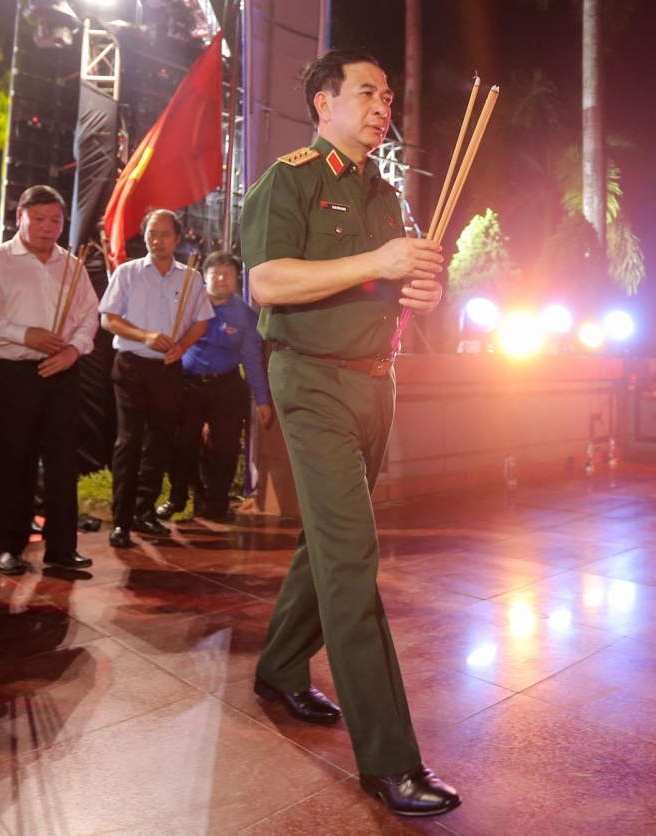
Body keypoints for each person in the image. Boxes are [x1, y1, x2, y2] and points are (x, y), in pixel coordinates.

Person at [240, 49, 461, 817]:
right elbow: (266, 280)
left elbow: (394, 284)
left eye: (388, 93)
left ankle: (277, 668)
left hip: (376, 381)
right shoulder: (290, 177)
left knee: (327, 542)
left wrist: (420, 286)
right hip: (311, 379)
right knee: (353, 557)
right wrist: (381, 259)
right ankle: (390, 760)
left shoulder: (387, 191)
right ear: (323, 103)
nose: (382, 104)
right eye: (366, 91)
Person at [0, 185, 98, 575]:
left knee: (61, 461)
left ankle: (62, 548)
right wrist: (24, 333)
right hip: (12, 371)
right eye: (38, 219)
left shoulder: (72, 264)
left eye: (55, 220)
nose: (47, 227)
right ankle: (9, 545)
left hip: (63, 371)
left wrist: (73, 350)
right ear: (20, 216)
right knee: (11, 461)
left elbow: (90, 315)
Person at [99, 209, 214, 548]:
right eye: (151, 233)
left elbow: (201, 322)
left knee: (161, 442)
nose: (156, 240)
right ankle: (120, 521)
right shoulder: (128, 273)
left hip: (168, 369)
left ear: (177, 239)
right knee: (129, 442)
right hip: (131, 366)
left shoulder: (191, 278)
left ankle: (144, 511)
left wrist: (182, 345)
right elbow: (108, 319)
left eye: (164, 234)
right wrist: (144, 336)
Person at [156, 251, 273, 522]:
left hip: (227, 386)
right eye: (215, 273)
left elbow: (253, 360)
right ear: (204, 277)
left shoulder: (243, 315)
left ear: (236, 279)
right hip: (188, 385)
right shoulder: (186, 304)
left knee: (226, 448)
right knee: (181, 444)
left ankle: (217, 503)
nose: (221, 278)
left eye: (228, 273)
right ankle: (178, 497)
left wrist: (263, 400)